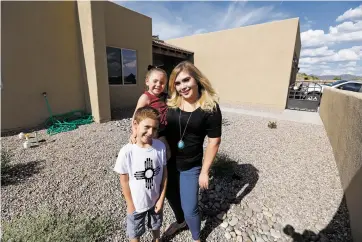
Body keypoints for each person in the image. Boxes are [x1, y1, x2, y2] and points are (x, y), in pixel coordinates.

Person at [163, 61, 222, 242]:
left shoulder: (209, 107)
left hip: (190, 164)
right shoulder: (171, 103)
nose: (182, 87)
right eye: (178, 83)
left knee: (191, 208)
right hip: (168, 162)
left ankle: (197, 238)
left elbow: (214, 142)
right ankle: (181, 222)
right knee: (171, 196)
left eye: (186, 80)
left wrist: (204, 171)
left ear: (196, 79)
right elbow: (156, 123)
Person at [114, 106, 168, 242]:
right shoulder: (127, 152)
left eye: (155, 129)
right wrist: (130, 204)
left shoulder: (160, 147)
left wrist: (161, 199)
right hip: (136, 204)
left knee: (156, 225)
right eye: (147, 127)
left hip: (155, 201)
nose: (150, 132)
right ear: (136, 125)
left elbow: (164, 175)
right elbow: (124, 181)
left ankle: (157, 239)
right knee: (135, 232)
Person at [130, 65, 171, 160]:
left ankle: (164, 168)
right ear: (147, 81)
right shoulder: (145, 98)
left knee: (166, 152)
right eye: (155, 81)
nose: (158, 85)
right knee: (157, 152)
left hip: (165, 129)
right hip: (153, 132)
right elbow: (136, 116)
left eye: (162, 82)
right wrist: (135, 132)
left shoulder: (165, 96)